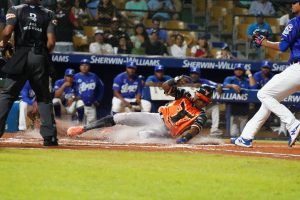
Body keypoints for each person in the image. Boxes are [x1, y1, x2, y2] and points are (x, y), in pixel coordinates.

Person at [232, 1, 300, 148]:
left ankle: (292, 123)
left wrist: (264, 42)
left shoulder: (295, 21)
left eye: (295, 2)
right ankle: (246, 137)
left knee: (263, 94)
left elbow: (282, 46)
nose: (292, 4)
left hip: (298, 69)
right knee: (269, 102)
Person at [67, 78, 214, 145]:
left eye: (202, 100)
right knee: (120, 117)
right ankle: (83, 129)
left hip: (166, 132)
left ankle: (110, 135)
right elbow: (165, 87)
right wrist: (176, 79)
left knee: (142, 137)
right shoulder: (186, 96)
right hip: (157, 117)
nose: (198, 100)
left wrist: (184, 139)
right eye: (198, 97)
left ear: (206, 102)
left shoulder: (201, 115)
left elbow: (194, 130)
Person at [0, 0, 58, 146]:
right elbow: (51, 43)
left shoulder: (15, 9)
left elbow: (7, 32)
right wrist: (42, 54)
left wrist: (3, 44)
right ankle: (49, 137)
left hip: (20, 55)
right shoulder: (49, 13)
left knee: (7, 94)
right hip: (39, 56)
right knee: (44, 97)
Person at [188, 67, 223, 136]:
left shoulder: (204, 81)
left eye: (196, 74)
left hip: (202, 108)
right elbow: (177, 85)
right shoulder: (186, 81)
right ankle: (191, 131)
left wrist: (219, 86)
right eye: (192, 73)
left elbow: (217, 85)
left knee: (215, 107)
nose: (194, 75)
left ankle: (214, 130)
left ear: (199, 75)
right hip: (190, 109)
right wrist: (191, 85)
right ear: (190, 74)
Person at [223, 63, 256, 137]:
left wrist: (250, 74)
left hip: (244, 109)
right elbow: (224, 84)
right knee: (233, 133)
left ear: (243, 71)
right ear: (234, 71)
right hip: (232, 110)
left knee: (243, 133)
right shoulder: (230, 79)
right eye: (237, 69)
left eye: (240, 70)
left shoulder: (246, 80)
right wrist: (232, 85)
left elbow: (253, 87)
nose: (238, 71)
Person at [74, 59, 105, 124]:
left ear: (89, 67)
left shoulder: (94, 76)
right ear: (80, 67)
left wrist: (98, 100)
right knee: (80, 124)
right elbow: (70, 89)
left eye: (86, 65)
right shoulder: (75, 77)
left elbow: (101, 88)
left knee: (92, 126)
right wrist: (74, 97)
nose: (84, 67)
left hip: (91, 105)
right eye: (82, 65)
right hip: (80, 105)